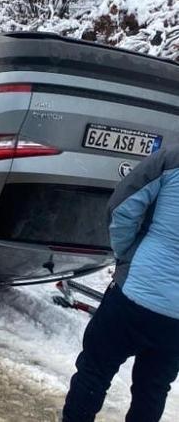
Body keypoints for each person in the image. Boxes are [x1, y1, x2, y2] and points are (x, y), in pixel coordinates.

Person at [63, 146, 179, 422]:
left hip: (135, 292)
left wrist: (125, 254)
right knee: (153, 389)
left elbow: (123, 207)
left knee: (94, 371)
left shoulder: (171, 157)